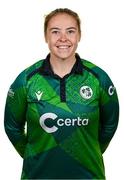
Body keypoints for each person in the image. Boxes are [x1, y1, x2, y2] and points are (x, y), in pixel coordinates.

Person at [4, 8, 119, 180]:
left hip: (88, 175)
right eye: (55, 31)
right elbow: (12, 127)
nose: (63, 38)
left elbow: (110, 125)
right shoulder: (26, 80)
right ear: (46, 37)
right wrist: (33, 154)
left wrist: (89, 151)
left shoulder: (99, 78)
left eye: (70, 31)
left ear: (79, 36)